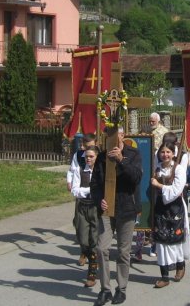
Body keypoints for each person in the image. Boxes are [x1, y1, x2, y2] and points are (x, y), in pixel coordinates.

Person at [91, 126, 142, 306]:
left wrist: (121, 160)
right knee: (102, 248)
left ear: (122, 136)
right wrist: (99, 200)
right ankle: (105, 289)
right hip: (107, 210)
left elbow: (135, 178)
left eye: (116, 135)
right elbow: (95, 184)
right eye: (109, 136)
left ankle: (121, 288)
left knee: (123, 251)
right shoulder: (101, 157)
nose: (112, 138)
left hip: (127, 208)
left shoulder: (133, 154)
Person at [151, 141, 190, 288]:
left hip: (175, 208)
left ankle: (180, 265)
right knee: (161, 241)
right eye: (162, 152)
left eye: (168, 152)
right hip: (160, 207)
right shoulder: (157, 169)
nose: (165, 155)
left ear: (173, 154)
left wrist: (159, 185)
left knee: (175, 239)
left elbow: (176, 190)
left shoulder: (178, 169)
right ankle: (164, 276)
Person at [71, 145, 100, 288]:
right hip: (82, 207)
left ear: (96, 157)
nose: (88, 159)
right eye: (87, 156)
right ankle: (90, 258)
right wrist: (91, 189)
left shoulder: (101, 172)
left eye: (91, 156)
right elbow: (75, 191)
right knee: (83, 240)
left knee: (94, 241)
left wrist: (87, 190)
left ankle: (92, 272)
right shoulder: (80, 170)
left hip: (96, 208)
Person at [66, 133, 96, 267]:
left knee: (94, 231)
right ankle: (84, 252)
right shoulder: (78, 155)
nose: (88, 149)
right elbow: (72, 170)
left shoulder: (98, 156)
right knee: (80, 227)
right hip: (82, 197)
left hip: (95, 201)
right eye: (86, 146)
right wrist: (69, 181)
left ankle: (93, 257)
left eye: (91, 146)